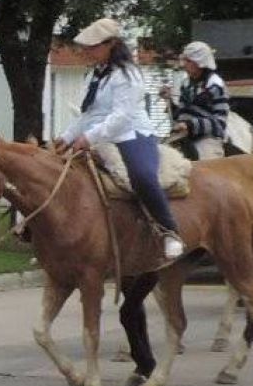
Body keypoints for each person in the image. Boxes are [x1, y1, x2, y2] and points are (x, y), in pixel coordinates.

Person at [56, 18, 184, 259]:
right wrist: (65, 137)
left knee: (142, 176)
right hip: (99, 135)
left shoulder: (128, 74)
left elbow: (121, 117)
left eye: (92, 47)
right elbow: (88, 114)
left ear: (111, 44)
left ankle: (170, 231)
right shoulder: (94, 75)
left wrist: (88, 137)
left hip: (131, 134)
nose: (87, 52)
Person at [160, 41, 229, 161]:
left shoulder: (216, 86)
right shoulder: (186, 84)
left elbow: (220, 123)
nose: (183, 64)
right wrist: (169, 101)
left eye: (188, 61)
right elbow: (181, 115)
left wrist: (190, 125)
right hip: (183, 137)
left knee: (205, 169)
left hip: (207, 139)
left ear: (200, 63)